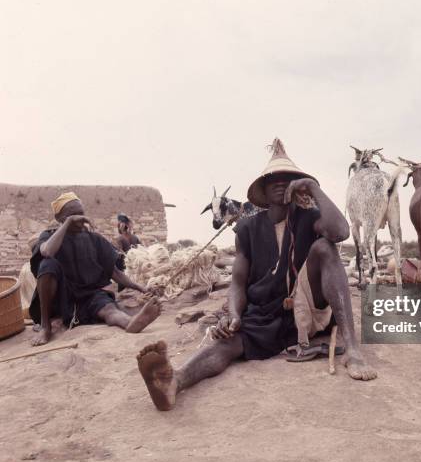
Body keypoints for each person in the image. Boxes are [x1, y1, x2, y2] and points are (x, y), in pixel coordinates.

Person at [137, 139, 377, 411]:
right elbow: (238, 281)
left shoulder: (310, 218)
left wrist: (312, 187)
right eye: (272, 178)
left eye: (288, 178)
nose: (280, 182)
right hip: (266, 313)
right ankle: (175, 381)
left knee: (325, 247)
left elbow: (341, 232)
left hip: (309, 308)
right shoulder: (248, 229)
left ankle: (353, 350)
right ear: (262, 188)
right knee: (227, 343)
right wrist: (235, 315)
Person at [29, 192, 161, 346]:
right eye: (72, 215)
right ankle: (46, 327)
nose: (79, 219)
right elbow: (46, 252)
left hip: (90, 296)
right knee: (47, 264)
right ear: (60, 219)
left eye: (81, 214)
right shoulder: (49, 236)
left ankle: (130, 322)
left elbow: (115, 273)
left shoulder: (94, 239)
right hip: (63, 299)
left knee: (110, 310)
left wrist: (141, 287)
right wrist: (67, 223)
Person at [113, 213, 141, 292]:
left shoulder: (121, 238)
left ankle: (122, 288)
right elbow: (141, 249)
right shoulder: (134, 237)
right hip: (134, 265)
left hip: (128, 266)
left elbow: (120, 252)